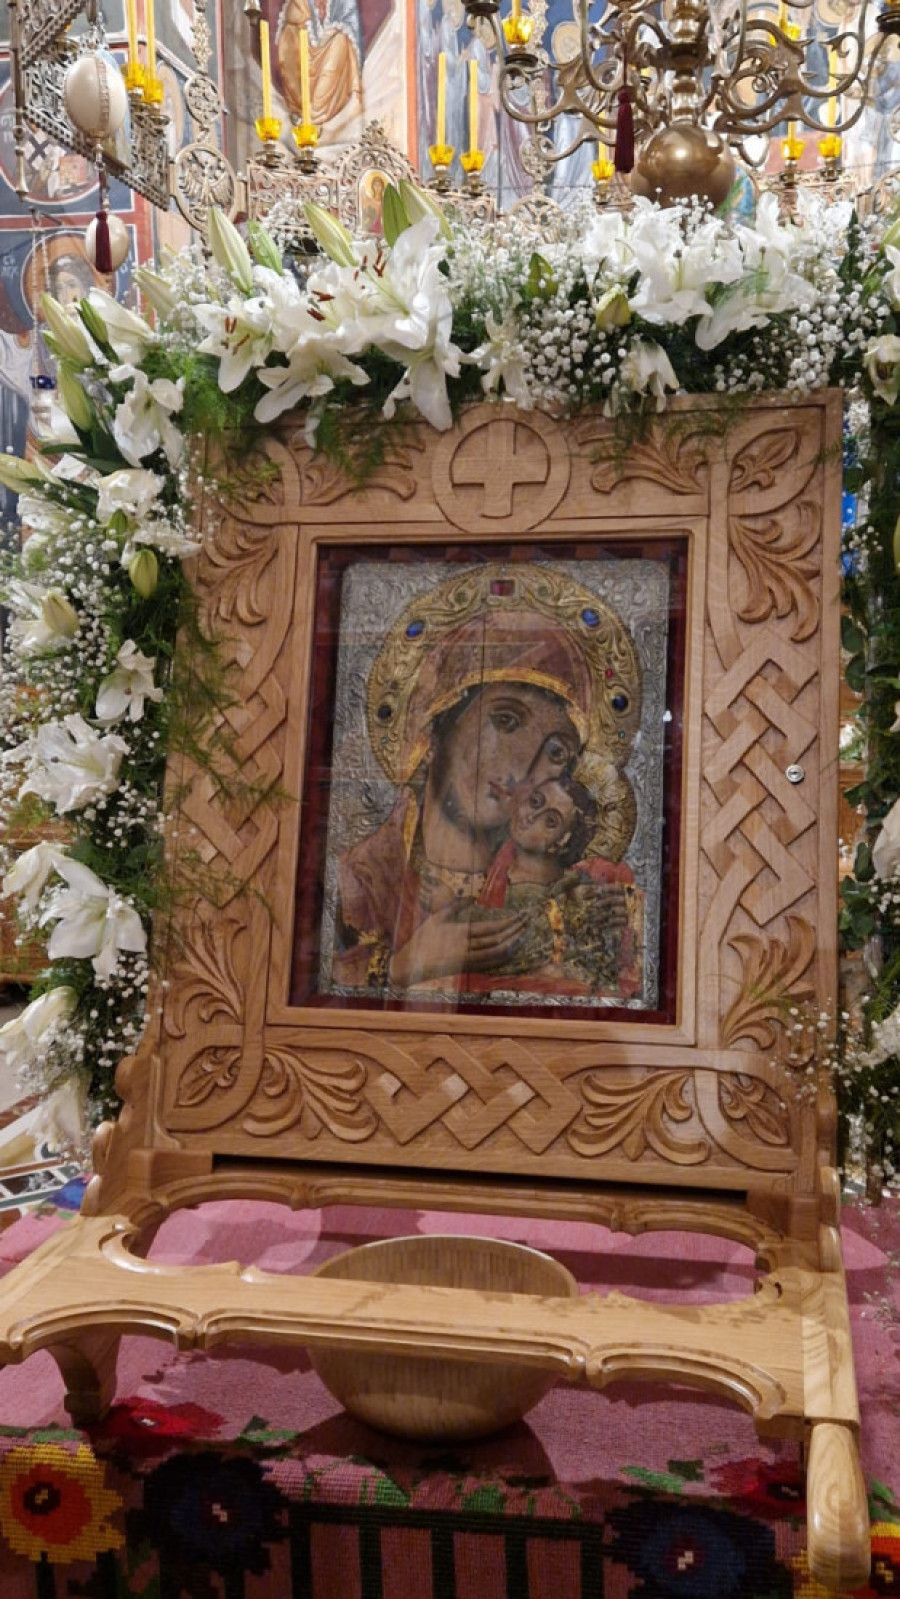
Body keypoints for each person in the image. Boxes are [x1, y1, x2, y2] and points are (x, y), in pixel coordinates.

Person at [331, 574, 642, 1001]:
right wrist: (400, 966)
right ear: (434, 729)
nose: (523, 770)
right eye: (505, 722)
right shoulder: (363, 880)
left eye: (556, 752)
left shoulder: (567, 891)